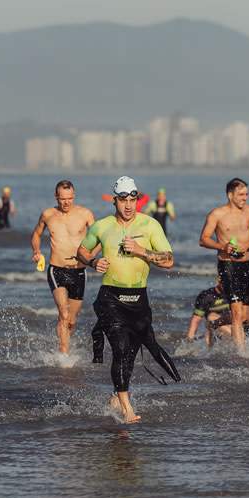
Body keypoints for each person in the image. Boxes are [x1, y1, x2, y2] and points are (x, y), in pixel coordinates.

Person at [77, 176, 179, 423]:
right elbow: (80, 251)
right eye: (123, 200)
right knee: (121, 348)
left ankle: (116, 395)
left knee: (131, 352)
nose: (129, 205)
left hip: (139, 299)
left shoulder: (150, 225)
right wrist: (92, 262)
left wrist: (141, 250)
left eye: (133, 199)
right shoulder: (102, 226)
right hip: (110, 298)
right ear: (115, 201)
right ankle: (126, 408)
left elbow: (169, 260)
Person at [198, 177, 249, 353]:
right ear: (230, 195)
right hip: (227, 265)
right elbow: (203, 239)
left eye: (246, 194)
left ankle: (215, 323)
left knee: (244, 313)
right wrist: (222, 246)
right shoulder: (217, 214)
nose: (245, 198)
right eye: (241, 194)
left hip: (246, 265)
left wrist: (247, 245)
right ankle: (241, 353)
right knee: (236, 311)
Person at [30, 180, 96, 355]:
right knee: (64, 313)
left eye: (69, 198)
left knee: (71, 320)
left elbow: (99, 237)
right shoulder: (48, 214)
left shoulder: (85, 214)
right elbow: (36, 234)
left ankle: (63, 339)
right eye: (62, 199)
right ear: (56, 196)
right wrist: (36, 251)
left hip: (79, 271)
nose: (66, 202)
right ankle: (64, 354)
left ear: (73, 196)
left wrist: (90, 257)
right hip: (56, 270)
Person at [186, 277, 249, 347]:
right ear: (219, 281)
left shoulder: (237, 293)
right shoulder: (206, 296)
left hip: (238, 321)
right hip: (220, 326)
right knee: (211, 317)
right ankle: (239, 347)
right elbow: (196, 319)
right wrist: (189, 340)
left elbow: (247, 310)